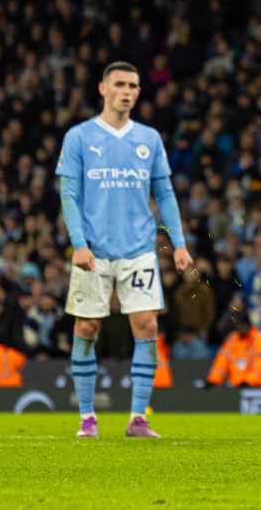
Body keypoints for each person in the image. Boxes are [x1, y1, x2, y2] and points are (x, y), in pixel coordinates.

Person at [56, 61, 194, 439]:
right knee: (86, 327)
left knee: (147, 326)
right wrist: (78, 244)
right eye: (119, 84)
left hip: (139, 249)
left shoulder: (148, 139)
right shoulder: (80, 137)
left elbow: (165, 194)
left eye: (133, 85)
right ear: (102, 88)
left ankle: (137, 418)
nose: (127, 91)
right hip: (93, 251)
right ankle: (87, 417)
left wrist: (179, 244)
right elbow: (68, 193)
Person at [206, 311, 261, 387]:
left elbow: (260, 364)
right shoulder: (233, 338)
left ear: (249, 326)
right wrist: (213, 380)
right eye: (240, 326)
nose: (242, 328)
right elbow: (222, 360)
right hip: (239, 385)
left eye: (244, 326)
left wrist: (248, 381)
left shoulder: (260, 340)